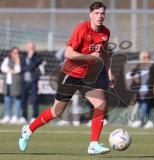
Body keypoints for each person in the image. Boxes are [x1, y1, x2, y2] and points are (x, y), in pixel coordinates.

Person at [19, 2, 114, 155]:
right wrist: (89, 56)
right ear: (90, 14)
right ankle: (28, 130)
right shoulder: (82, 29)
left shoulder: (105, 33)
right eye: (97, 13)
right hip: (71, 75)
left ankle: (93, 144)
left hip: (87, 77)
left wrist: (110, 72)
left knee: (101, 103)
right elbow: (68, 54)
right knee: (56, 112)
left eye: (102, 13)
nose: (100, 16)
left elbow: (104, 53)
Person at [17, 42, 43, 124]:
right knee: (23, 100)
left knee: (35, 99)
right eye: (29, 47)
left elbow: (34, 64)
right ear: (27, 48)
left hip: (33, 82)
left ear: (34, 48)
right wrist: (28, 68)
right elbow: (22, 68)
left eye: (32, 47)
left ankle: (34, 117)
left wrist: (31, 58)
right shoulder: (23, 57)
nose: (30, 49)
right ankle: (24, 117)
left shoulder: (37, 57)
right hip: (24, 82)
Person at [0, 47, 21, 124]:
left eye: (17, 53)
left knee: (16, 99)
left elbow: (18, 70)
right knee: (7, 99)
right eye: (14, 53)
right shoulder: (7, 59)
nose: (16, 54)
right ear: (11, 53)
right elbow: (3, 68)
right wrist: (11, 70)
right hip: (7, 82)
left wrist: (17, 61)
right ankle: (7, 116)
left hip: (15, 83)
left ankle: (15, 116)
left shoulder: (19, 60)